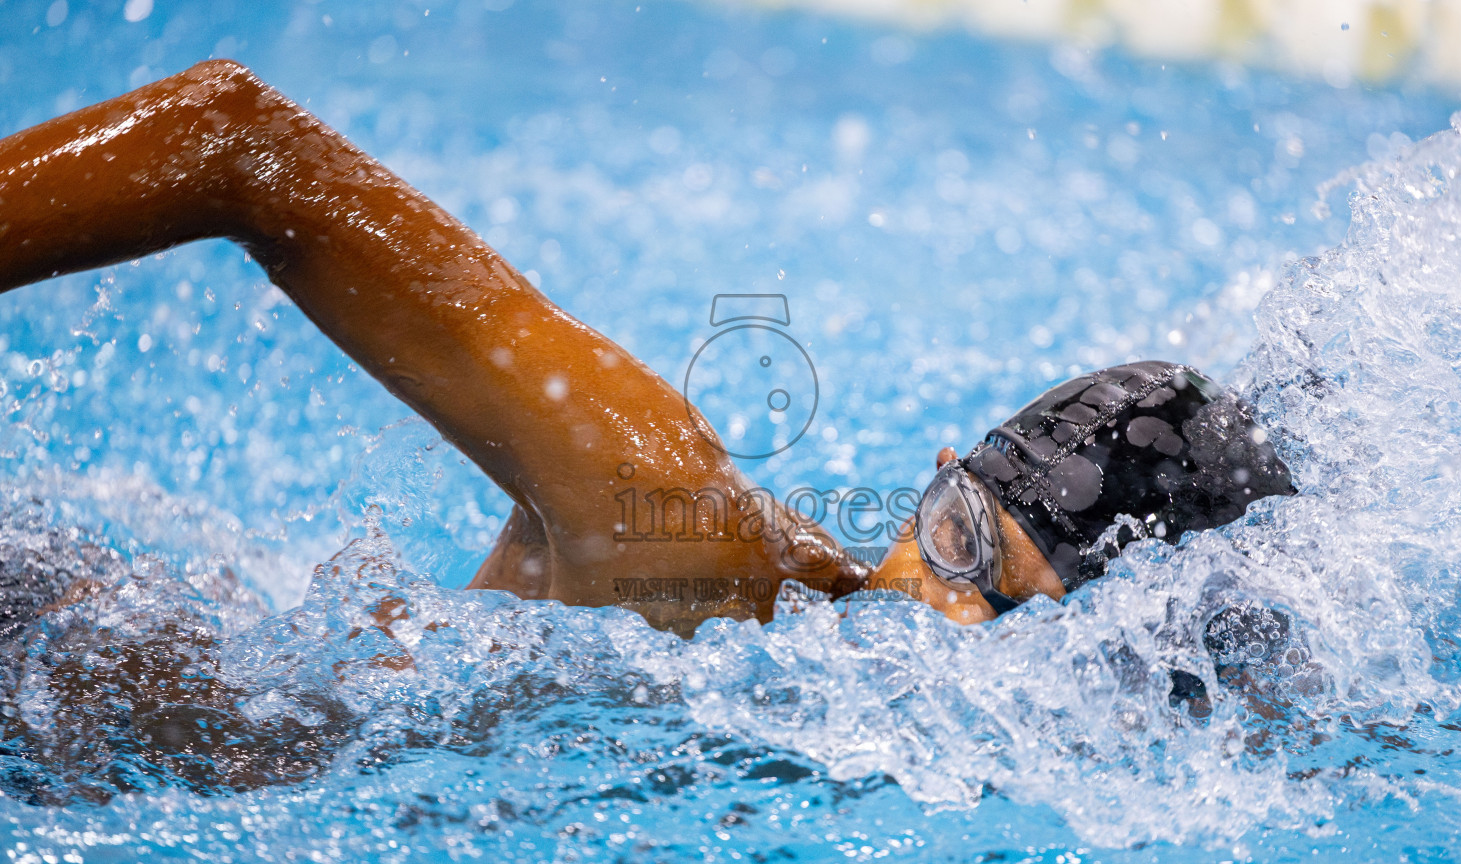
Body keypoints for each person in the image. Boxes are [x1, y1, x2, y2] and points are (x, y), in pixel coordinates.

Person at [0, 61, 1295, 639]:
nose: (938, 615)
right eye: (959, 542)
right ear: (939, 477)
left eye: (1008, 618)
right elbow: (235, 144)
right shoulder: (686, 533)